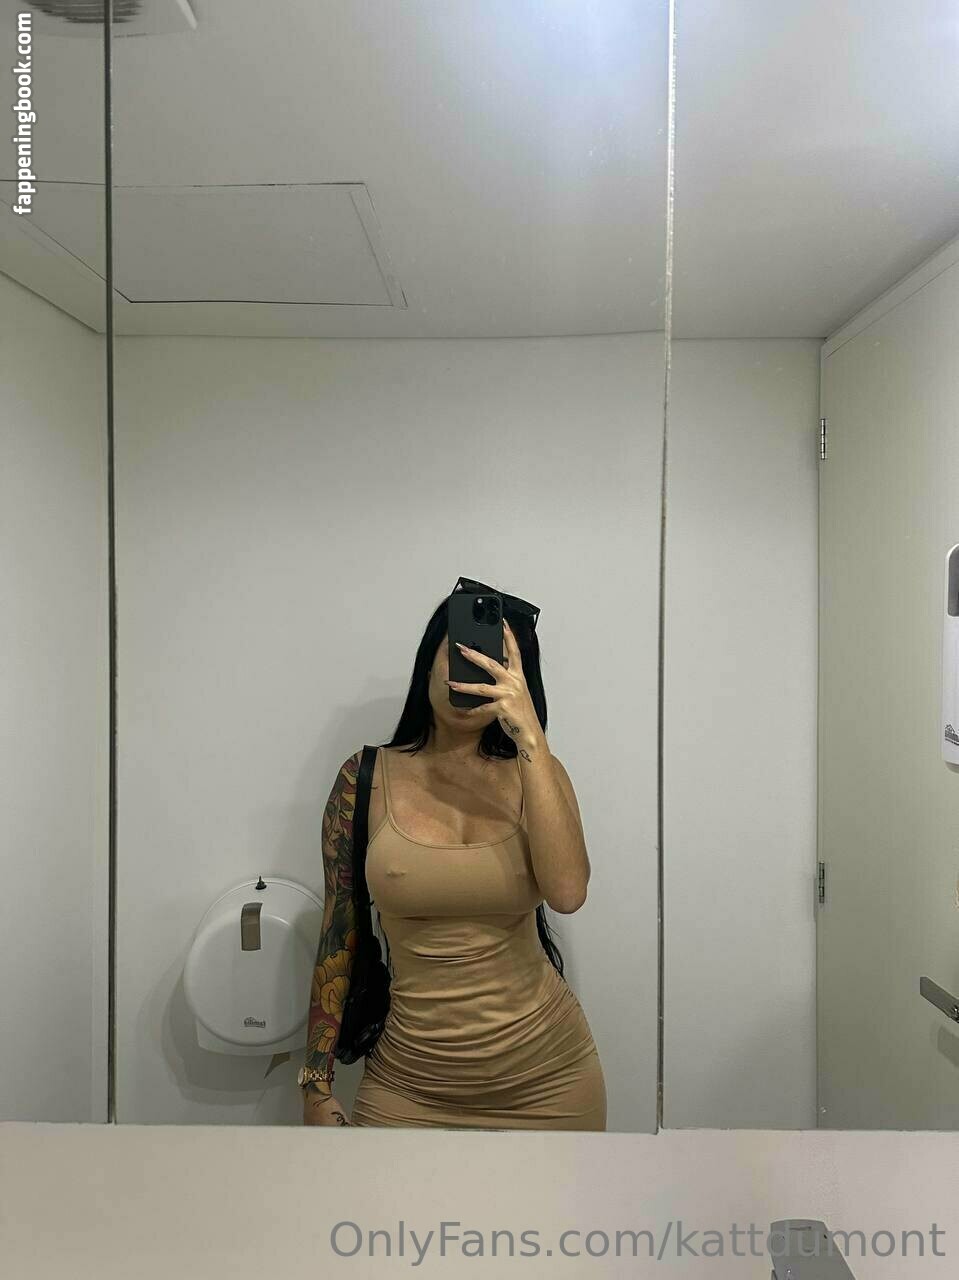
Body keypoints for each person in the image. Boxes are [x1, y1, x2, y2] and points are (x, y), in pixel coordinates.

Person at [301, 580, 606, 1130]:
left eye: (493, 662)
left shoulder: (539, 773)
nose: (473, 672)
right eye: (461, 654)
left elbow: (567, 893)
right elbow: (337, 933)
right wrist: (315, 1084)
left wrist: (530, 737)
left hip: (551, 1082)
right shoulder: (364, 779)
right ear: (429, 661)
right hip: (407, 1089)